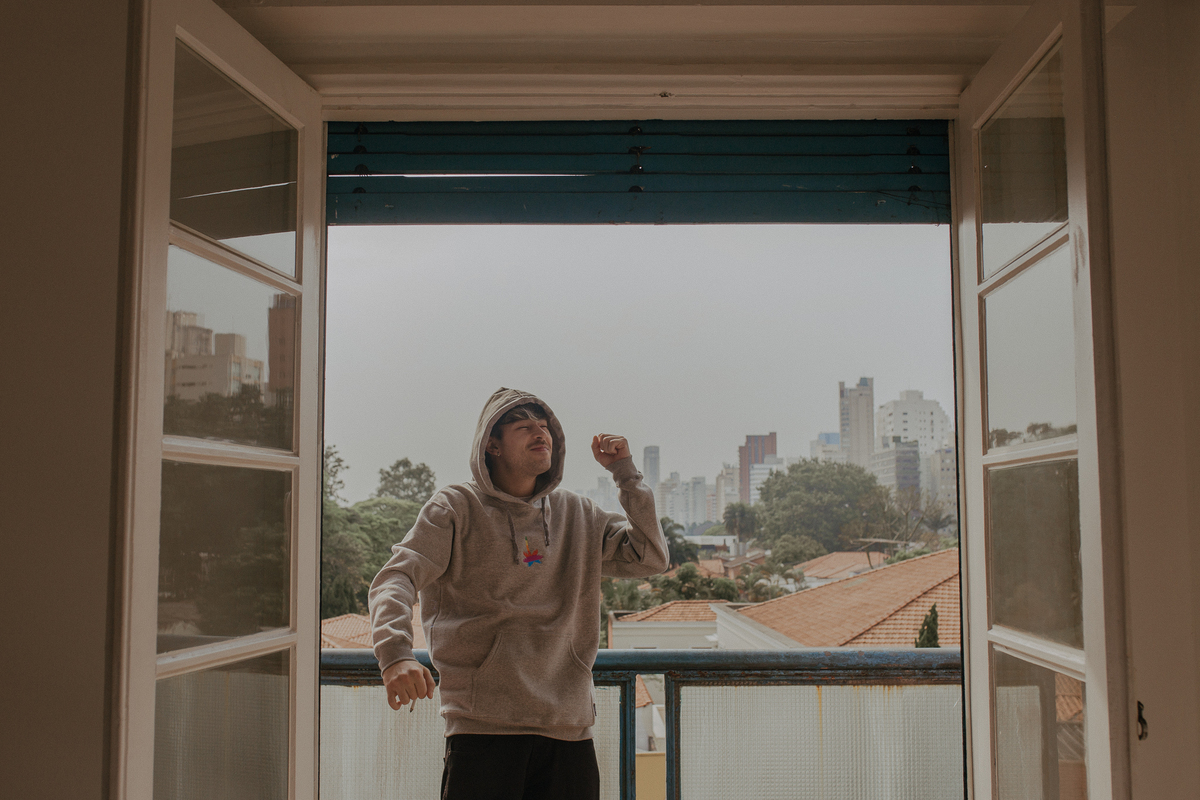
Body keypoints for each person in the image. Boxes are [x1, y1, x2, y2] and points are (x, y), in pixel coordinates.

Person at [369, 387, 669, 800]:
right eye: (524, 427)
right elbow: (396, 577)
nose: (540, 433)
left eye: (544, 427)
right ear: (492, 445)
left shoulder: (578, 514)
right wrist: (395, 654)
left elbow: (651, 557)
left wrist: (625, 473)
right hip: (482, 729)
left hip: (569, 729)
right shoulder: (455, 507)